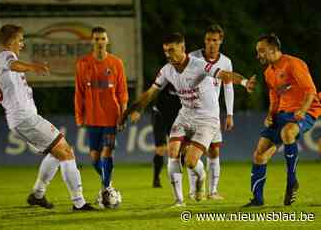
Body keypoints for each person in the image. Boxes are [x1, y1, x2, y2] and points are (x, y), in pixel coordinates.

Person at [122, 32, 255, 207]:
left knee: (191, 162)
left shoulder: (199, 65)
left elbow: (224, 75)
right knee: (172, 151)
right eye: (166, 51)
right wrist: (129, 112)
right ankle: (179, 201)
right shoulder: (167, 70)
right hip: (185, 115)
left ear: (183, 48)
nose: (168, 55)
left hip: (207, 118)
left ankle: (202, 177)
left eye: (172, 50)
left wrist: (245, 83)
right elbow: (150, 93)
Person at [0, 24, 95, 211]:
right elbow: (14, 65)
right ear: (11, 41)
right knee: (66, 152)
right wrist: (32, 67)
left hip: (21, 120)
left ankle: (38, 195)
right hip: (25, 118)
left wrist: (3, 98)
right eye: (20, 40)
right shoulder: (6, 57)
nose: (22, 43)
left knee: (56, 152)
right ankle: (79, 203)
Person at [244, 34, 321, 207]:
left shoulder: (293, 64)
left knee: (288, 132)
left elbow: (311, 90)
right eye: (257, 52)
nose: (259, 55)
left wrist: (302, 110)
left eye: (262, 51)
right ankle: (257, 200)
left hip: (305, 111)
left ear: (273, 49)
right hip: (282, 114)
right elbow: (275, 97)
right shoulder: (268, 72)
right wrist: (270, 115)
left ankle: (291, 181)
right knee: (259, 155)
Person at [74, 26, 128, 197]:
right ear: (92, 41)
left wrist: (123, 115)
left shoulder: (116, 63)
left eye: (102, 38)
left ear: (107, 41)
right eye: (96, 39)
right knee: (95, 159)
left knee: (107, 152)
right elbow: (79, 93)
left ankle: (105, 190)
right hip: (92, 118)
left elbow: (122, 92)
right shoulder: (83, 64)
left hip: (112, 118)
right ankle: (109, 185)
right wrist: (79, 115)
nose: (99, 42)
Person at [188, 24, 234, 200]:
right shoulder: (193, 57)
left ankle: (212, 191)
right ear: (204, 40)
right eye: (208, 40)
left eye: (215, 40)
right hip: (193, 113)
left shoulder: (226, 62)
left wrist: (229, 114)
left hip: (213, 115)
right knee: (193, 152)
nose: (211, 43)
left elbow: (228, 88)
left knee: (214, 151)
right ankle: (194, 191)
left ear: (221, 41)